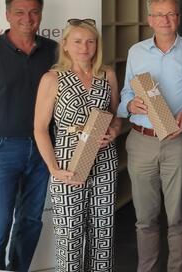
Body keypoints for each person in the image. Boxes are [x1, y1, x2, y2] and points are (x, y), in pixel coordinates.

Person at [118, 0, 182, 272]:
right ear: (149, 20)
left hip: (178, 142)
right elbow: (125, 95)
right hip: (141, 140)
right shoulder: (136, 52)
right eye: (159, 15)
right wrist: (130, 103)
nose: (165, 20)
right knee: (145, 218)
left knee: (178, 217)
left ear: (178, 18)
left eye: (171, 14)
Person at [34, 18, 120, 271]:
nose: (85, 47)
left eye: (90, 41)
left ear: (97, 45)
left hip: (104, 162)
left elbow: (116, 115)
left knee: (103, 233)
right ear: (66, 45)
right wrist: (53, 169)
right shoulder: (53, 78)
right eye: (78, 41)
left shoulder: (108, 75)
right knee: (70, 235)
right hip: (67, 163)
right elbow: (40, 128)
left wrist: (114, 131)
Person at [0, 0, 58, 271]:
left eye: (34, 12)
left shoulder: (54, 51)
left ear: (40, 15)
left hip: (42, 150)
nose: (27, 18)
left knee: (30, 221)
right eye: (19, 12)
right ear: (7, 15)